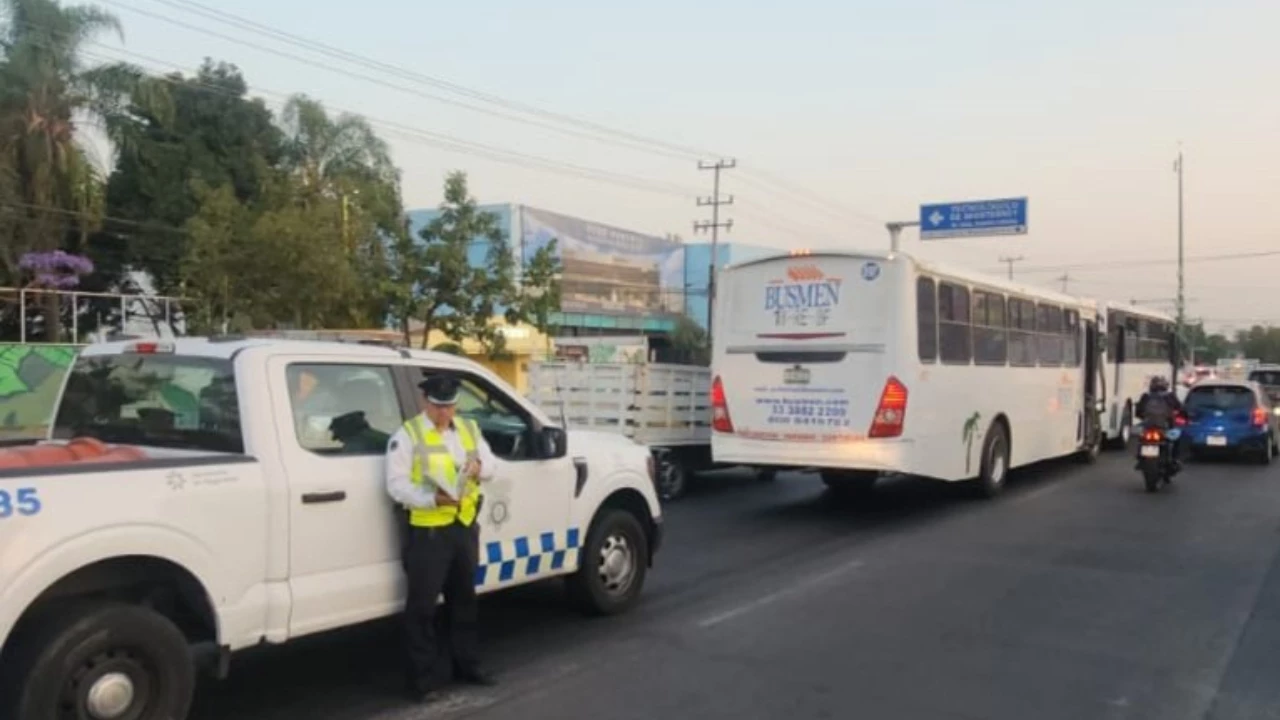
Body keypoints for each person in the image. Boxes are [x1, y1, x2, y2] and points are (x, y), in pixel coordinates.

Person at [384, 373, 498, 703]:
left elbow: (492, 464)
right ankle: (422, 681)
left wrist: (480, 469)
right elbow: (396, 485)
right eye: (438, 407)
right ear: (425, 403)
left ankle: (467, 665)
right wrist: (431, 498)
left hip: (463, 525)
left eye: (449, 407)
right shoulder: (407, 435)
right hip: (429, 530)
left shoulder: (469, 429)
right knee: (422, 608)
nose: (444, 414)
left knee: (464, 601)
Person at [1135, 375, 1184, 472]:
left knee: (1141, 439)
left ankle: (1140, 459)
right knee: (1177, 439)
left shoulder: (1146, 396)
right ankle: (1174, 459)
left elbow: (1138, 412)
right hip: (1165, 428)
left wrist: (1145, 417)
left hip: (1148, 427)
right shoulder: (1170, 396)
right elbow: (1180, 409)